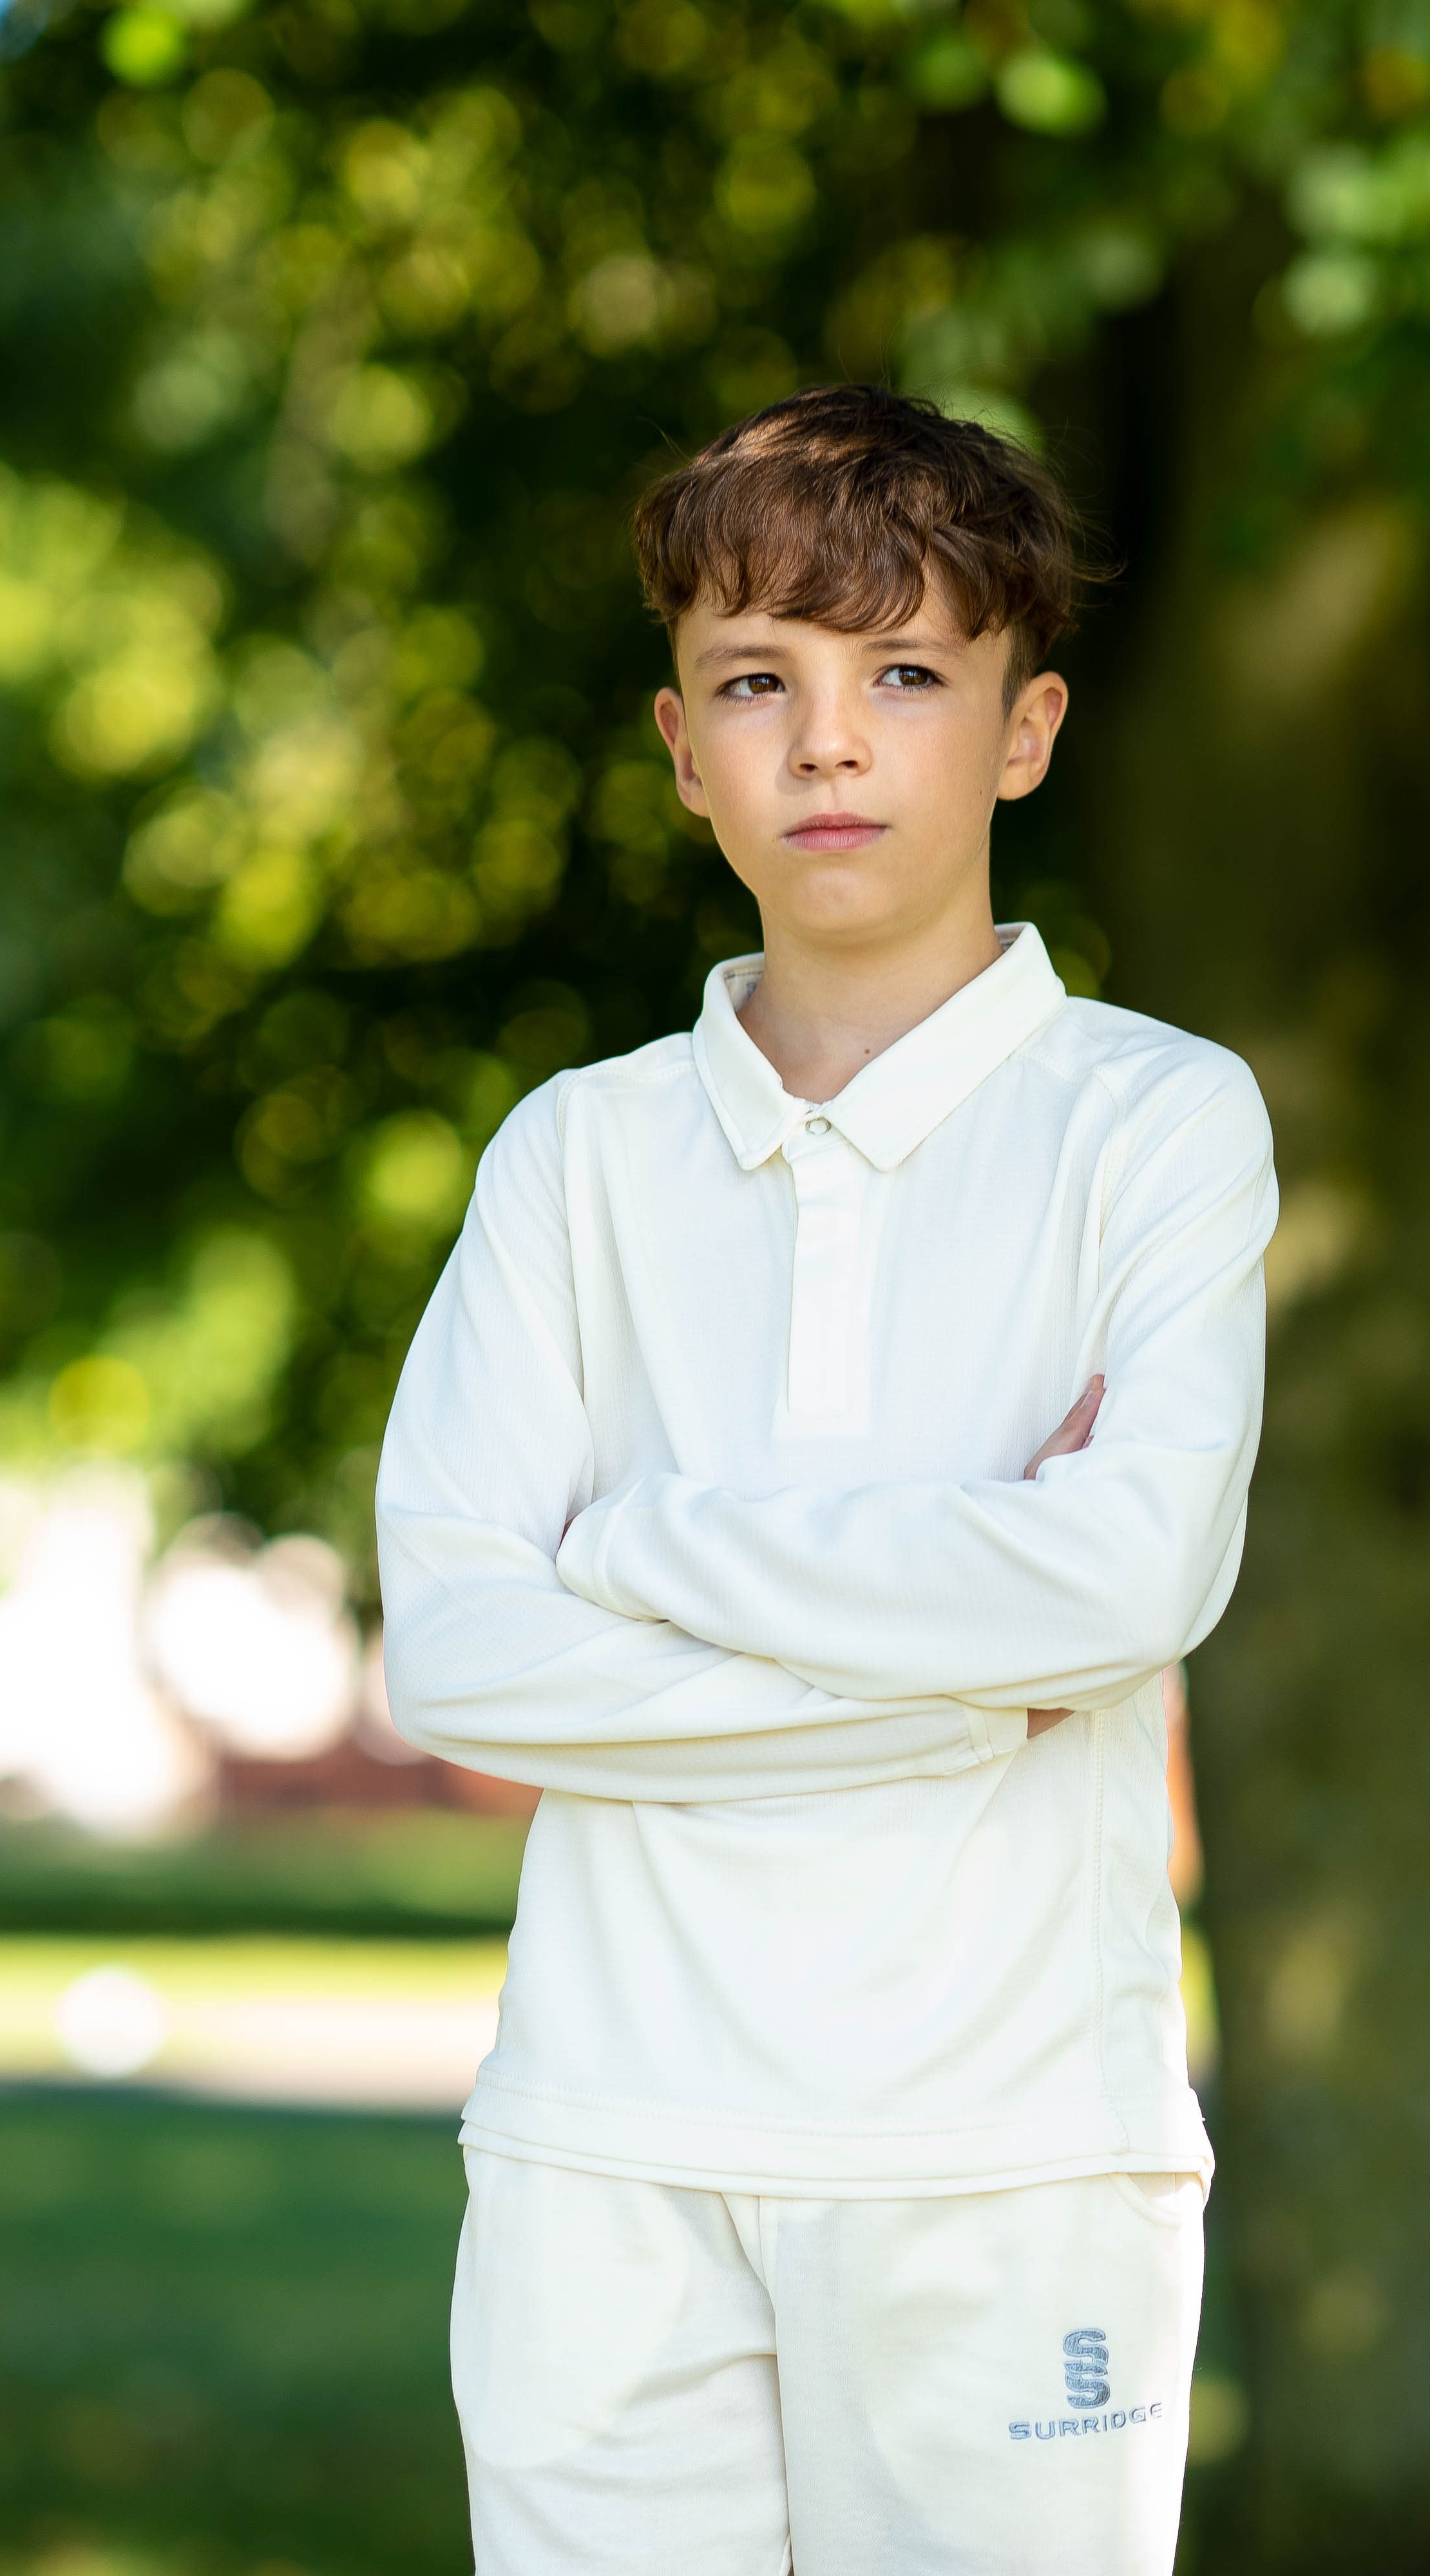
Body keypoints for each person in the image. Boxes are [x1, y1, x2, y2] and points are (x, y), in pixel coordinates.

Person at [376, 383, 1276, 2575]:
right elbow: (466, 1656)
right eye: (758, 682)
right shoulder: (575, 1157)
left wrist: (647, 1539)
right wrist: (968, 1690)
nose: (831, 743)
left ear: (1029, 729)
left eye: (906, 676)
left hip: (1012, 2157)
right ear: (683, 749)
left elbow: (1131, 1575)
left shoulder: (1158, 1123)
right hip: (608, 2151)